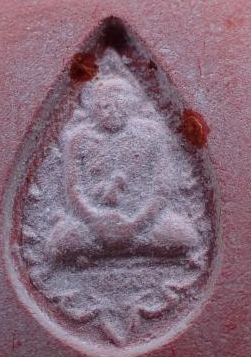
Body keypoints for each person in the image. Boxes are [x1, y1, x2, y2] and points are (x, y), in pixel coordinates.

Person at [48, 73, 198, 262]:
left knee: (184, 236)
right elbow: (73, 189)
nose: (112, 112)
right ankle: (129, 247)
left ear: (131, 105)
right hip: (92, 224)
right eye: (105, 106)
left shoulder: (152, 135)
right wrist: (95, 220)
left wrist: (135, 224)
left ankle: (114, 247)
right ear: (93, 108)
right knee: (60, 242)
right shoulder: (79, 140)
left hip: (144, 221)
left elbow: (163, 190)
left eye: (119, 105)